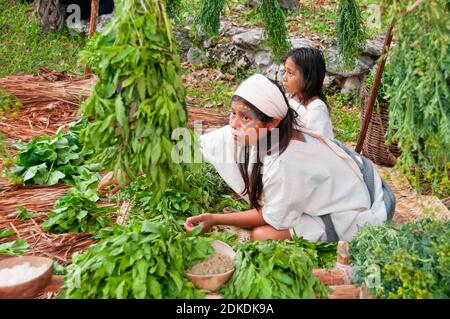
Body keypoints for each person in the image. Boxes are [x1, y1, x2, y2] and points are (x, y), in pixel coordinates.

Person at [99, 74, 395, 242]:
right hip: (343, 172)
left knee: (262, 236)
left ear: (271, 122)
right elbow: (189, 146)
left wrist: (215, 219)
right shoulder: (257, 132)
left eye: (245, 117)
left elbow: (270, 218)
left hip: (353, 202)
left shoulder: (286, 164)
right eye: (233, 113)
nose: (234, 123)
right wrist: (130, 170)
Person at [282, 47, 334, 139]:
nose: (284, 78)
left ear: (308, 79)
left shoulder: (316, 110)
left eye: (290, 73)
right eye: (284, 71)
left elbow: (320, 145)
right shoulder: (289, 97)